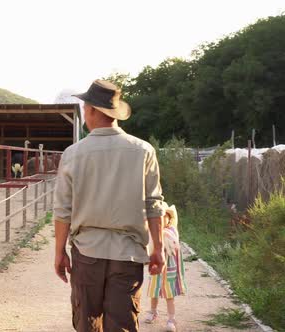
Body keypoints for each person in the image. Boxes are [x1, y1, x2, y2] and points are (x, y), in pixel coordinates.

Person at [54, 79, 166, 332]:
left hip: (87, 253)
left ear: (92, 110)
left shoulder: (73, 154)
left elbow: (63, 211)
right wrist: (157, 248)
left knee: (87, 322)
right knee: (122, 324)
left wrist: (59, 252)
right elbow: (154, 204)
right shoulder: (144, 151)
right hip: (128, 255)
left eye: (84, 107)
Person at [145, 203, 187, 332]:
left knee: (169, 295)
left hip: (169, 267)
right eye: (159, 218)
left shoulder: (171, 231)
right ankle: (153, 312)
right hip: (157, 267)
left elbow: (172, 244)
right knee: (154, 292)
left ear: (169, 219)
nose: (162, 220)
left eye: (165, 217)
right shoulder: (153, 233)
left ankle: (171, 319)